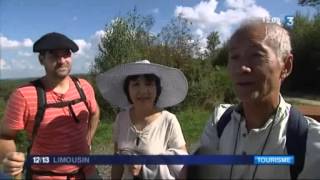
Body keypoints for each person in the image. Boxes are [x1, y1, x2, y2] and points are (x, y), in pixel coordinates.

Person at [189, 20, 320, 179]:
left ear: (286, 66)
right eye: (235, 57)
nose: (242, 68)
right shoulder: (219, 121)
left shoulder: (309, 143)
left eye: (256, 55)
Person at [0, 32, 101, 179]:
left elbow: (95, 112)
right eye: (53, 55)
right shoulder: (24, 96)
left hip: (86, 172)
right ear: (41, 59)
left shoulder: (84, 87)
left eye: (66, 54)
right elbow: (5, 136)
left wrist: (88, 141)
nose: (61, 60)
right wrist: (9, 157)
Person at [96, 60, 188, 179]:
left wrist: (145, 166)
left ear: (157, 88)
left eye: (149, 84)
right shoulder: (121, 119)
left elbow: (183, 165)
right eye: (135, 84)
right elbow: (117, 159)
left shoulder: (169, 120)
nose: (143, 91)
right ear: (127, 90)